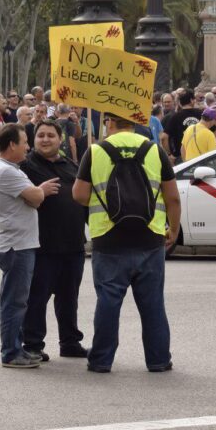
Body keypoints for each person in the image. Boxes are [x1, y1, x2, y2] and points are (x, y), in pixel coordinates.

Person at [72, 113, 180, 373]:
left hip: (108, 239)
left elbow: (79, 194)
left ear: (109, 121)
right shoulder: (155, 150)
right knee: (153, 303)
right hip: (150, 237)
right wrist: (173, 230)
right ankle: (158, 360)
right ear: (135, 121)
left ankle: (101, 360)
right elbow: (173, 197)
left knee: (108, 301)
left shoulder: (96, 150)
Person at [0, 123, 60, 368]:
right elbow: (36, 198)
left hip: (20, 244)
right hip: (16, 246)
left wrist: (34, 193)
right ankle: (10, 352)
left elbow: (32, 200)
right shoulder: (6, 171)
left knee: (19, 300)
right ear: (11, 145)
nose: (28, 147)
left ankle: (16, 347)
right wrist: (39, 190)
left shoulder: (10, 169)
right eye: (24, 143)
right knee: (14, 302)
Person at [20, 120, 88, 362]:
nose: (45, 139)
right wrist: (38, 191)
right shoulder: (26, 166)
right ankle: (33, 344)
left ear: (60, 140)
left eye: (50, 135)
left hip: (73, 244)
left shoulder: (71, 165)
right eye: (40, 136)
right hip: (42, 246)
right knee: (38, 298)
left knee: (69, 297)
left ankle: (70, 342)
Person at [161, 90, 203, 164]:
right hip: (201, 154)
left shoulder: (174, 117)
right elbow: (214, 129)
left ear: (180, 102)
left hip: (180, 156)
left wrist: (169, 155)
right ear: (191, 100)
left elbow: (164, 137)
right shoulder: (201, 114)